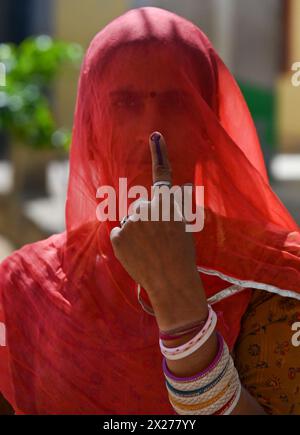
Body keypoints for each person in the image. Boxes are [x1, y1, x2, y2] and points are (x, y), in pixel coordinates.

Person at [0, 7, 299, 415]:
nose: (152, 128)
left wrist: (180, 307)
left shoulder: (276, 281)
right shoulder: (23, 288)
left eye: (176, 102)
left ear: (209, 128)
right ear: (92, 132)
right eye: (125, 103)